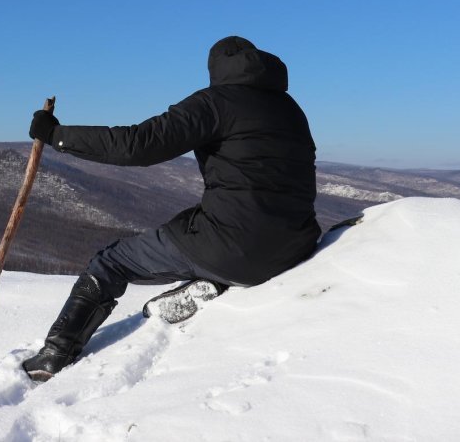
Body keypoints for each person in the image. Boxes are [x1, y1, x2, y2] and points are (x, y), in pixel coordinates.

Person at [21, 35, 320, 381]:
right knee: (188, 225)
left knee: (111, 262)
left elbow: (138, 144)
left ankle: (54, 355)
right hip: (295, 246)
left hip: (234, 249)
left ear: (216, 69)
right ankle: (211, 282)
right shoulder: (291, 109)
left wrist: (58, 135)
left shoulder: (215, 102)